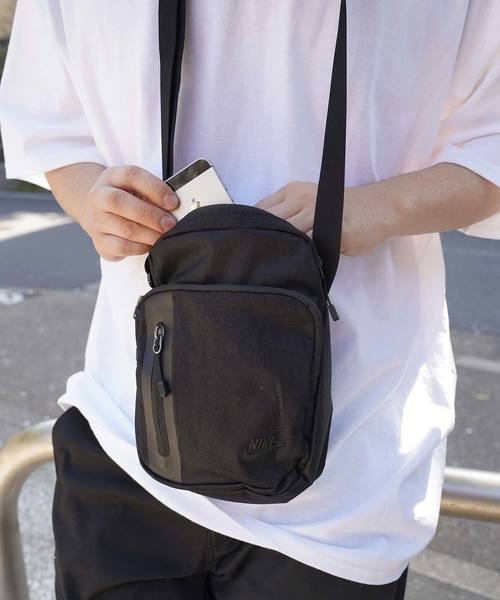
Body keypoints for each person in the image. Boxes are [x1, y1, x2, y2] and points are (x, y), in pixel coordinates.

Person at [1, 1, 499, 598]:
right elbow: (51, 125)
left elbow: (490, 144)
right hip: (129, 432)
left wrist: (376, 206)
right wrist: (91, 197)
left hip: (345, 465)